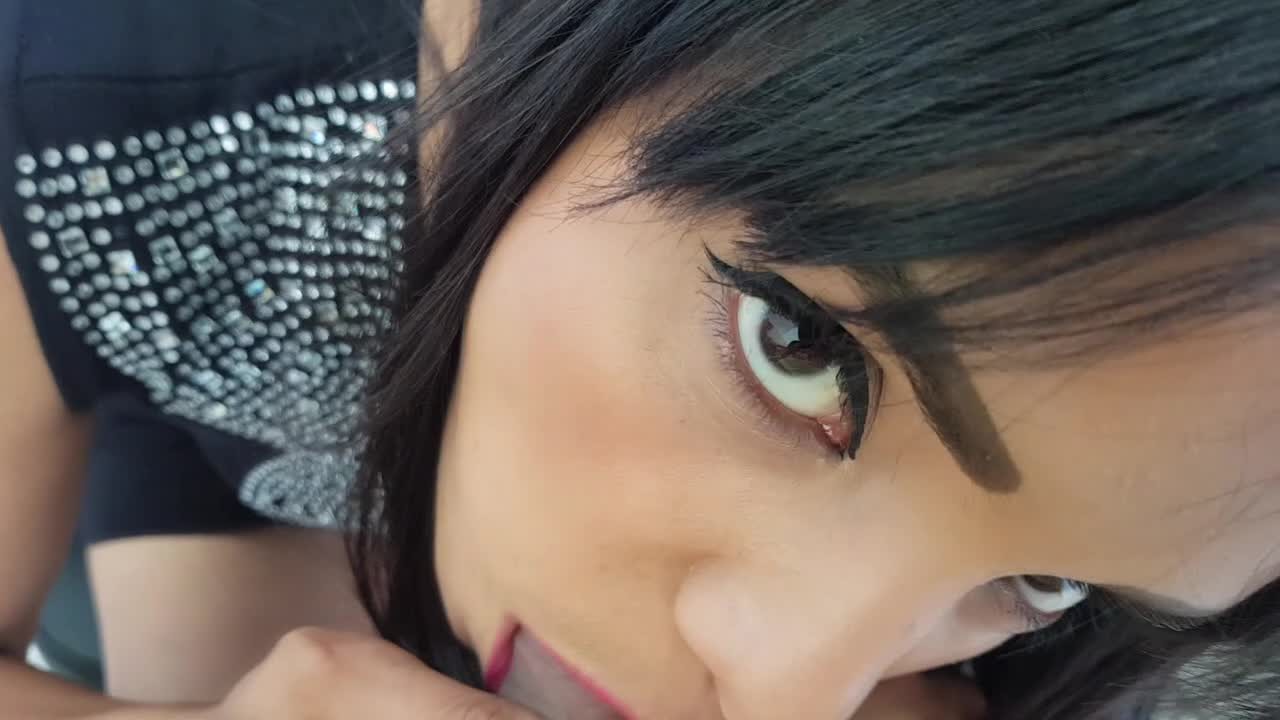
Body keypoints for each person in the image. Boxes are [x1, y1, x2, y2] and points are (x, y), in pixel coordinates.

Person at [0, 1, 1277, 719]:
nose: (782, 697)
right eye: (798, 349)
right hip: (186, 378)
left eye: (1047, 578)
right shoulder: (83, 92)